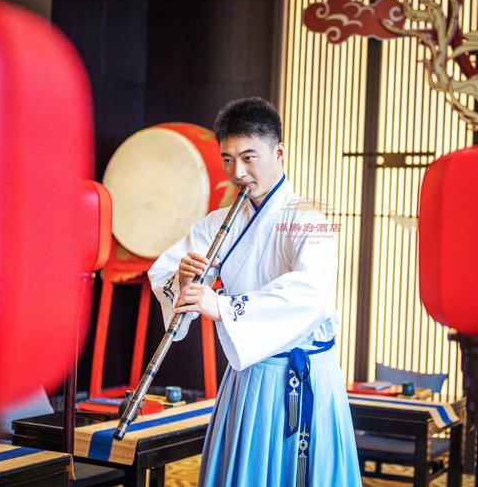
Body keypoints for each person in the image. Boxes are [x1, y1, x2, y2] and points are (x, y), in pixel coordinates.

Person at [148, 97, 361, 486]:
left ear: (279, 152)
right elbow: (165, 272)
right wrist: (186, 281)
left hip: (304, 374)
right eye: (228, 160)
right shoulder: (215, 224)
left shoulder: (310, 220)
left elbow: (310, 293)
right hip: (247, 377)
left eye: (249, 158)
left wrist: (222, 306)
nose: (238, 172)